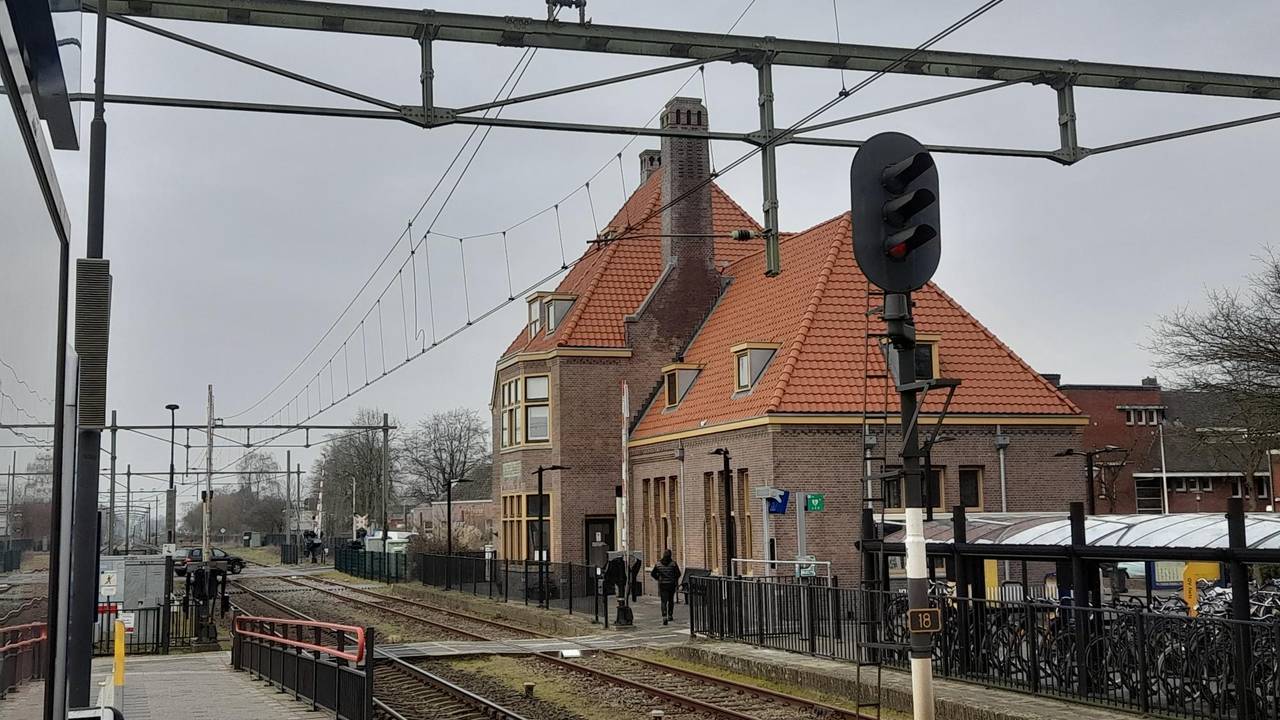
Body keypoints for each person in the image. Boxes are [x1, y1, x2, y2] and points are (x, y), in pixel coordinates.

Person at [650, 549, 682, 625]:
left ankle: (664, 615)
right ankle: (670, 615)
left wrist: (658, 578)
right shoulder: (673, 564)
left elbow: (653, 574)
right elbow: (678, 574)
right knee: (670, 600)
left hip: (662, 585)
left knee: (663, 601)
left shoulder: (658, 564)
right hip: (671, 584)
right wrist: (674, 578)